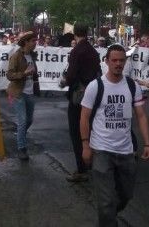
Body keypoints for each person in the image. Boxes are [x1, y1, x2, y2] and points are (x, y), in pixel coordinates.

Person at [80, 44, 149, 226]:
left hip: (126, 151)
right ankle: (108, 220)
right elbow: (84, 117)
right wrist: (85, 145)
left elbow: (141, 115)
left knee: (126, 195)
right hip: (101, 150)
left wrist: (147, 143)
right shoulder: (95, 86)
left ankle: (109, 216)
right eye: (114, 60)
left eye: (121, 60)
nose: (118, 64)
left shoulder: (132, 86)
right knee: (105, 202)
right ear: (106, 61)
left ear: (125, 62)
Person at [61, 24, 101, 182]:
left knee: (77, 132)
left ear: (75, 34)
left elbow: (71, 75)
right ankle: (93, 162)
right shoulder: (93, 51)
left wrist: (64, 81)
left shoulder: (76, 51)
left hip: (78, 96)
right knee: (91, 129)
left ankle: (82, 168)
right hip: (93, 94)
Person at [6, 30, 39, 160]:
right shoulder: (16, 56)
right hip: (18, 92)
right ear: (26, 42)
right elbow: (9, 75)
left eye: (35, 41)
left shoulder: (32, 55)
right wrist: (23, 74)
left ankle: (20, 136)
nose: (35, 43)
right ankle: (22, 148)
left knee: (29, 120)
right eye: (33, 41)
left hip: (30, 92)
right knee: (23, 121)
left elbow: (34, 73)